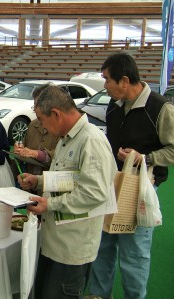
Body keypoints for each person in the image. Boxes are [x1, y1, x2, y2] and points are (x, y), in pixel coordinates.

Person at [87, 53, 174, 299]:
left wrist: (144, 158)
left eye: (106, 79)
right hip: (112, 185)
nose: (104, 85)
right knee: (103, 246)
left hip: (141, 190)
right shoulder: (113, 106)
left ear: (124, 80)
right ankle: (98, 295)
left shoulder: (160, 108)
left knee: (134, 253)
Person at [18, 85, 116, 299]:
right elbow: (69, 179)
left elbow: (94, 193)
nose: (41, 125)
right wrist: (39, 181)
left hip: (72, 249)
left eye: (42, 120)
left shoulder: (91, 141)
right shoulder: (67, 138)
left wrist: (50, 205)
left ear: (56, 114)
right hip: (54, 241)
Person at [13, 85, 59, 177]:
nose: (35, 109)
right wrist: (19, 149)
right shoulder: (33, 125)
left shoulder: (60, 128)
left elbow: (59, 158)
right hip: (29, 182)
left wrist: (36, 154)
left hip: (48, 185)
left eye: (38, 105)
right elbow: (24, 147)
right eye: (34, 104)